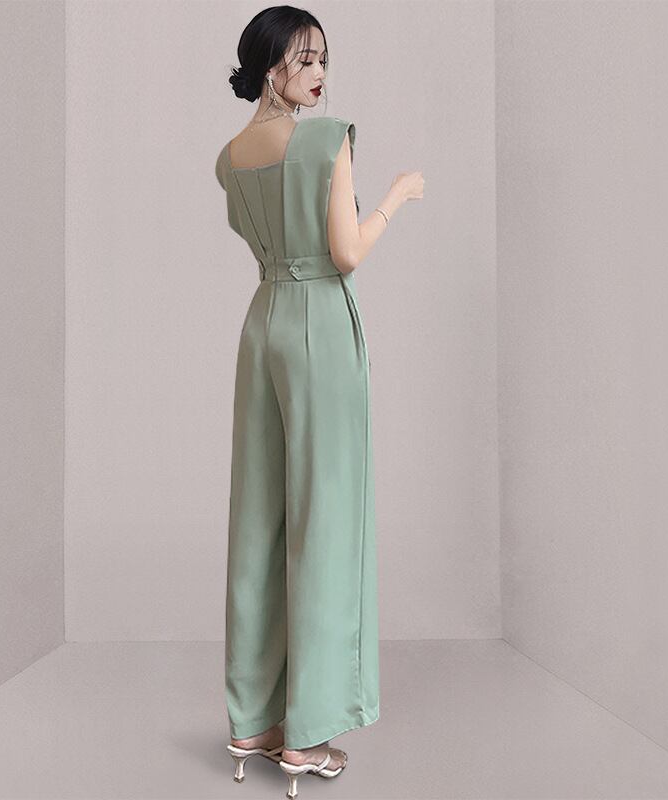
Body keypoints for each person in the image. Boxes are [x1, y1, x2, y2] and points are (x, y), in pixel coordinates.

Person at [215, 7, 424, 797]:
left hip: (263, 323)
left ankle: (252, 720)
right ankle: (306, 733)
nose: (318, 73)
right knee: (325, 521)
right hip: (321, 331)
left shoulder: (230, 157)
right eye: (303, 59)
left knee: (260, 516)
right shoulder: (327, 138)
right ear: (270, 66)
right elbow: (345, 252)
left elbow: (259, 236)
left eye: (323, 58)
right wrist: (396, 195)